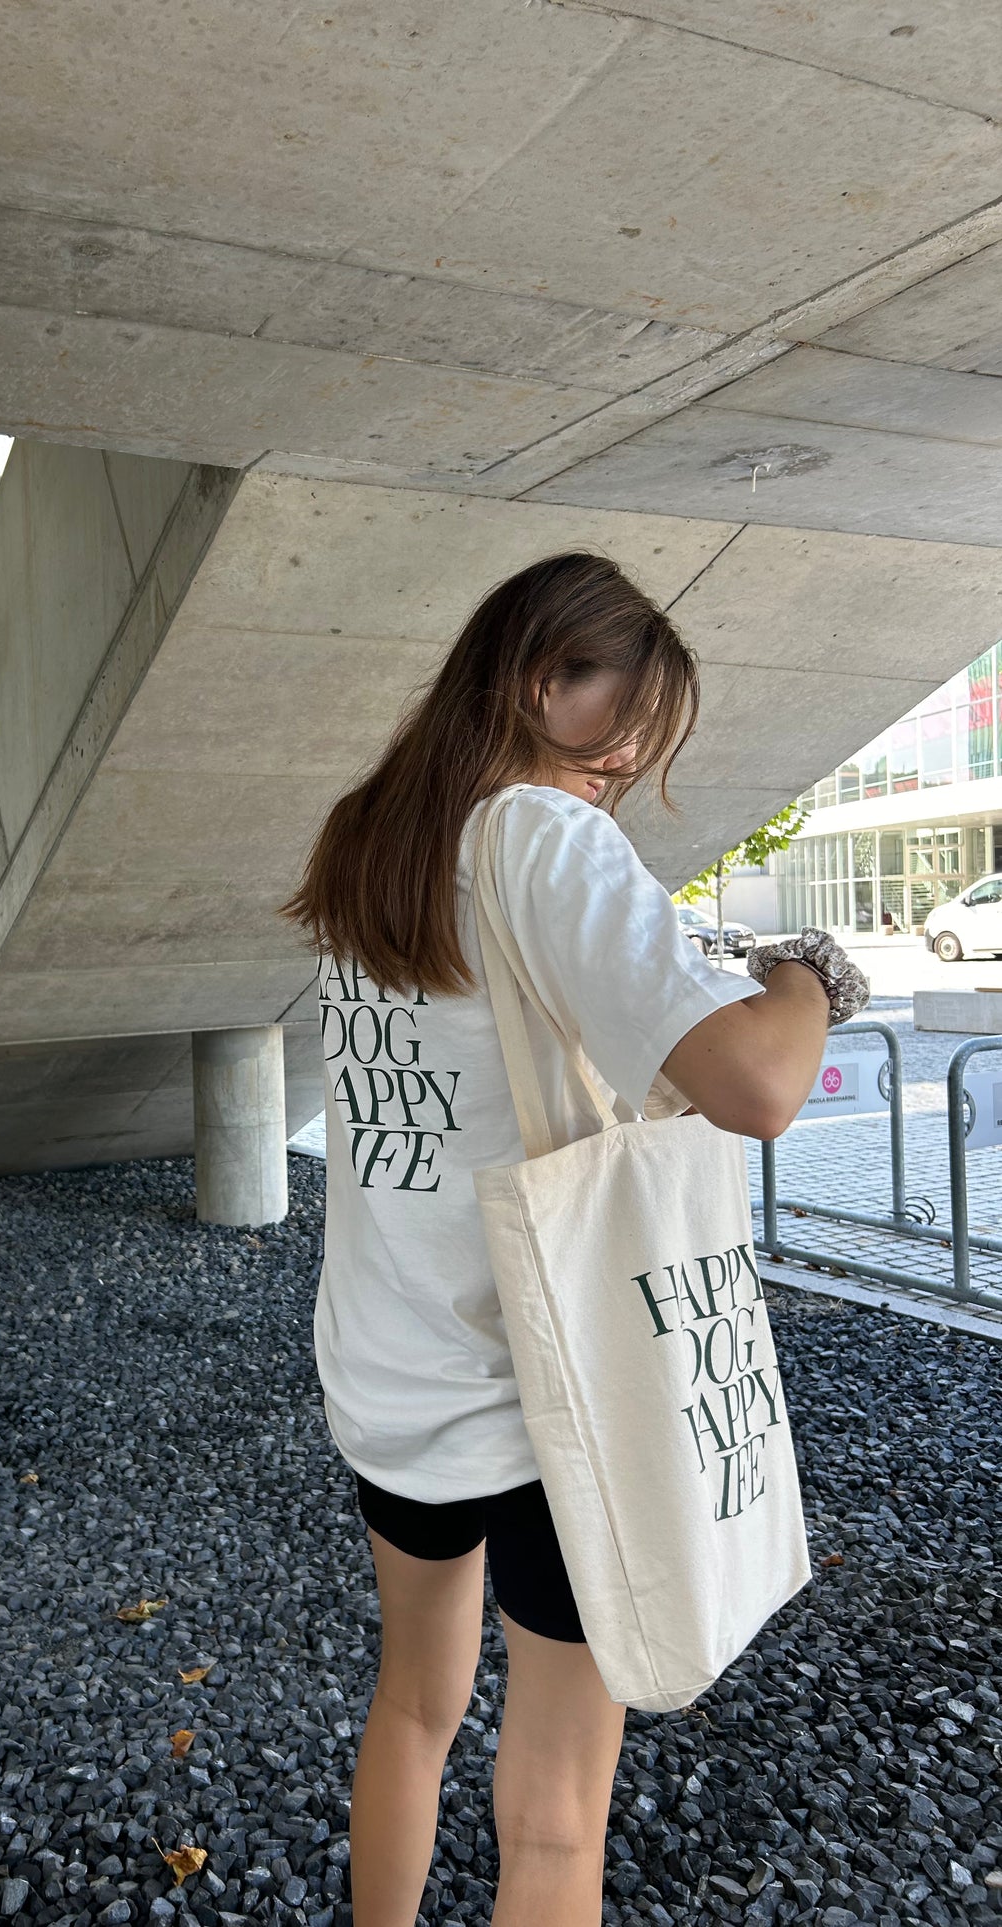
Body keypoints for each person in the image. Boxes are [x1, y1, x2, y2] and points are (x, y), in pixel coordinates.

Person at [277, 552, 859, 1927]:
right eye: (622, 723)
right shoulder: (540, 836)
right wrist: (809, 977)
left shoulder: (368, 835)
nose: (628, 760)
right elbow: (754, 1084)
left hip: (391, 1363)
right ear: (544, 682)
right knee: (553, 1823)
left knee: (412, 1706)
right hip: (555, 1391)